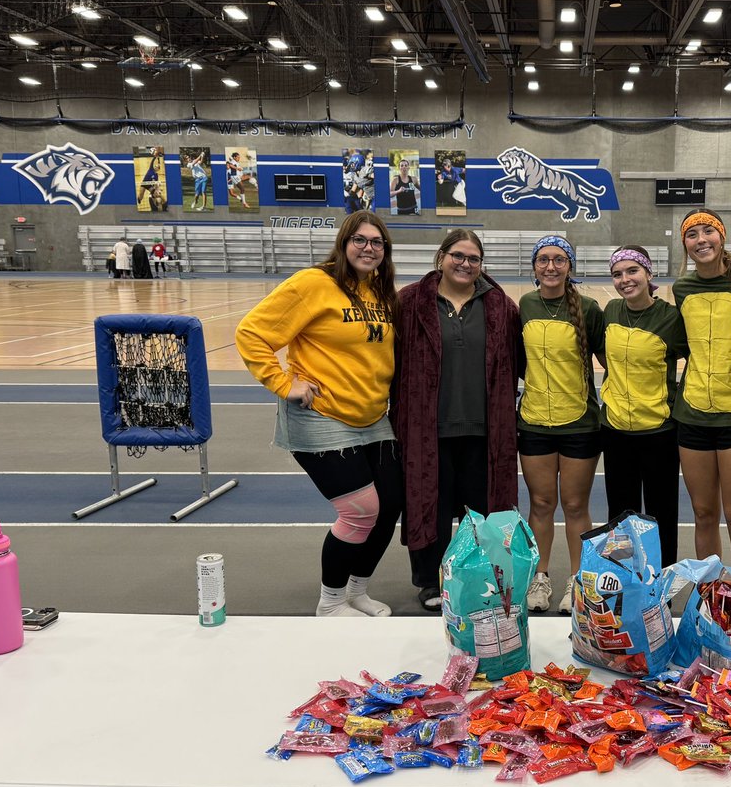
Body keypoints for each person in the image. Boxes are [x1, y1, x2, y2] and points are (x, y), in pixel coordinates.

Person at [235, 211, 402, 618]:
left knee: (391, 503)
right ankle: (330, 602)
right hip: (322, 416)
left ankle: (357, 592)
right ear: (344, 243)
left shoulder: (379, 291)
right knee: (360, 510)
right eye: (360, 240)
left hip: (372, 416)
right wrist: (284, 383)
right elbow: (251, 333)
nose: (368, 248)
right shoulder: (314, 283)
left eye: (377, 242)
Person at [393, 229, 522, 612]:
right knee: (429, 506)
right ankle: (430, 581)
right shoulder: (410, 302)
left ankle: (483, 579)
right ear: (442, 256)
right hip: (427, 428)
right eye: (458, 256)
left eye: (474, 258)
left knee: (483, 512)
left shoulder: (500, 305)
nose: (465, 264)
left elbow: (521, 358)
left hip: (486, 429)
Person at [518, 236, 605, 614]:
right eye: (543, 260)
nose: (550, 267)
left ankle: (578, 582)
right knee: (540, 503)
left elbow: (611, 357)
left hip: (580, 424)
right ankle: (539, 578)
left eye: (559, 260)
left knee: (574, 505)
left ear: (570, 265)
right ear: (534, 266)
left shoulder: (588, 308)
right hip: (535, 422)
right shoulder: (524, 305)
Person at [673, 209, 731, 569]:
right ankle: (712, 594)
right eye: (692, 235)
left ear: (721, 236)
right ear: (685, 245)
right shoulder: (682, 288)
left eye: (707, 231)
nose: (701, 240)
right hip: (692, 415)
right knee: (703, 512)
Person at [600, 245, 688, 567]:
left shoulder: (670, 318)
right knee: (620, 516)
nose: (625, 279)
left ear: (648, 274)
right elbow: (602, 355)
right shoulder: (610, 312)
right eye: (617, 274)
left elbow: (698, 358)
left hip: (659, 432)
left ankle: (659, 584)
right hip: (615, 430)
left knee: (660, 513)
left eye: (632, 271)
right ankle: (622, 581)